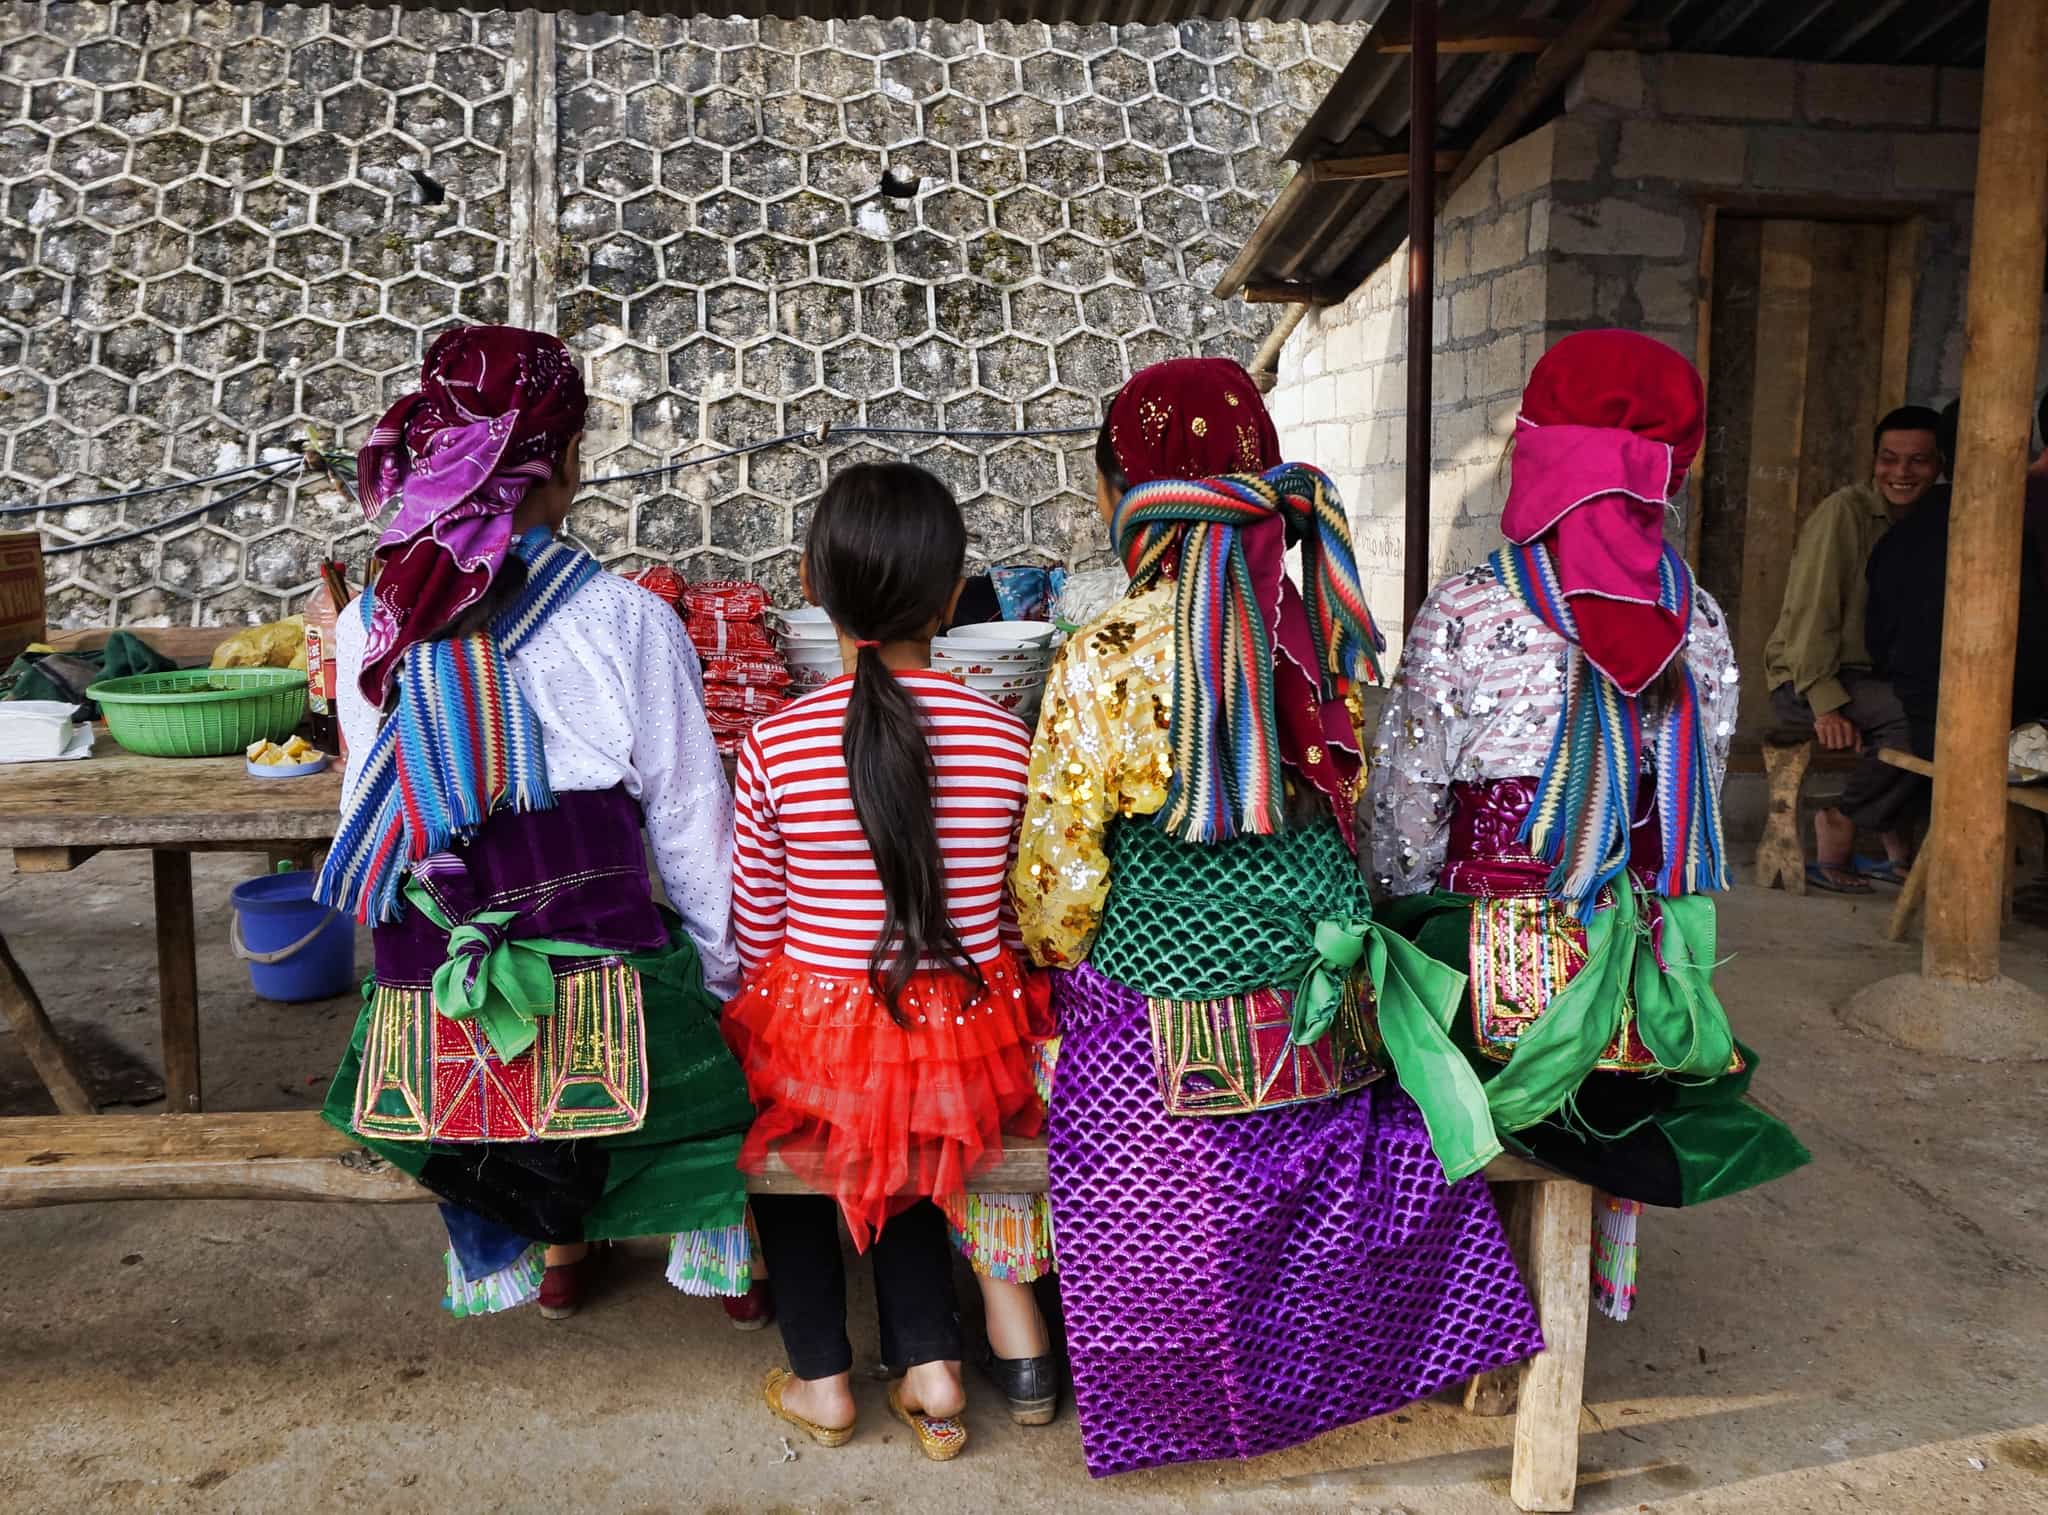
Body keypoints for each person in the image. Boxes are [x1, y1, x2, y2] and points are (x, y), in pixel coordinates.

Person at [1013, 356, 1543, 1478]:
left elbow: (1059, 882)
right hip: (1321, 996)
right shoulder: (1318, 644)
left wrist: (1059, 961)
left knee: (1153, 1198)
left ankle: (1178, 1404)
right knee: (1346, 1188)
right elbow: (1354, 811)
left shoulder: (1101, 657)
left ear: (1128, 494)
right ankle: (1352, 1372)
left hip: (1156, 1010)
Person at [317, 325, 756, 1320]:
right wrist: (724, 987)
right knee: (671, 992)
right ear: (561, 463)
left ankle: (553, 1250)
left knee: (493, 978)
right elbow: (691, 824)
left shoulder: (365, 627)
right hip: (607, 985)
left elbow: (365, 814)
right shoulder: (627, 619)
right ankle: (717, 1246)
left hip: (436, 996)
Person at [1370, 330, 1809, 1321]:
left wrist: (1396, 919)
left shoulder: (1467, 611)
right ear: (1668, 477)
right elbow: (1694, 804)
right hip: (1643, 1003)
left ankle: (1458, 1300)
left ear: (1536, 457)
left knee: (1389, 993)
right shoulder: (1697, 621)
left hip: (1484, 1004)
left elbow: (1404, 816)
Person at [724, 461, 1045, 1461]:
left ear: (812, 588)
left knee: (791, 1129)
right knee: (913, 1120)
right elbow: (1010, 922)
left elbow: (755, 932)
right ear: (952, 599)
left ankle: (822, 1378)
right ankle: (933, 1368)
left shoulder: (774, 747)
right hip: (967, 1033)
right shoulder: (1005, 742)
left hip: (818, 1031)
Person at [1763, 405, 1942, 891]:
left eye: (1918, 460)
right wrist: (1826, 703)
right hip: (1808, 677)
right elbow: (1812, 612)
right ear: (1874, 461)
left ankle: (1895, 842)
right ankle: (1841, 821)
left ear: (1939, 465)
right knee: (1916, 719)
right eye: (1889, 458)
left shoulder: (1930, 518)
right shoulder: (1845, 513)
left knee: (1947, 716)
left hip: (1874, 679)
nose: (1901, 472)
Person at [1867, 388, 2048, 757]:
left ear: (1942, 459)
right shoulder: (2021, 523)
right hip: (2010, 728)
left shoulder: (1901, 535)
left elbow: (1879, 640)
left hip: (1925, 718)